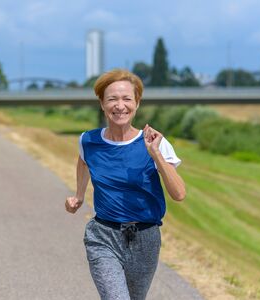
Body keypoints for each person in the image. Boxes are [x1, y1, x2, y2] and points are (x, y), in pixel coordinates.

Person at [65, 69, 186, 300]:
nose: (119, 106)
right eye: (112, 99)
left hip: (145, 238)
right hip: (103, 236)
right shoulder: (88, 140)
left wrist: (155, 155)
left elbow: (179, 194)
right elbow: (83, 162)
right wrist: (79, 195)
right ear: (102, 103)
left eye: (127, 99)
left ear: (137, 103)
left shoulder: (155, 143)